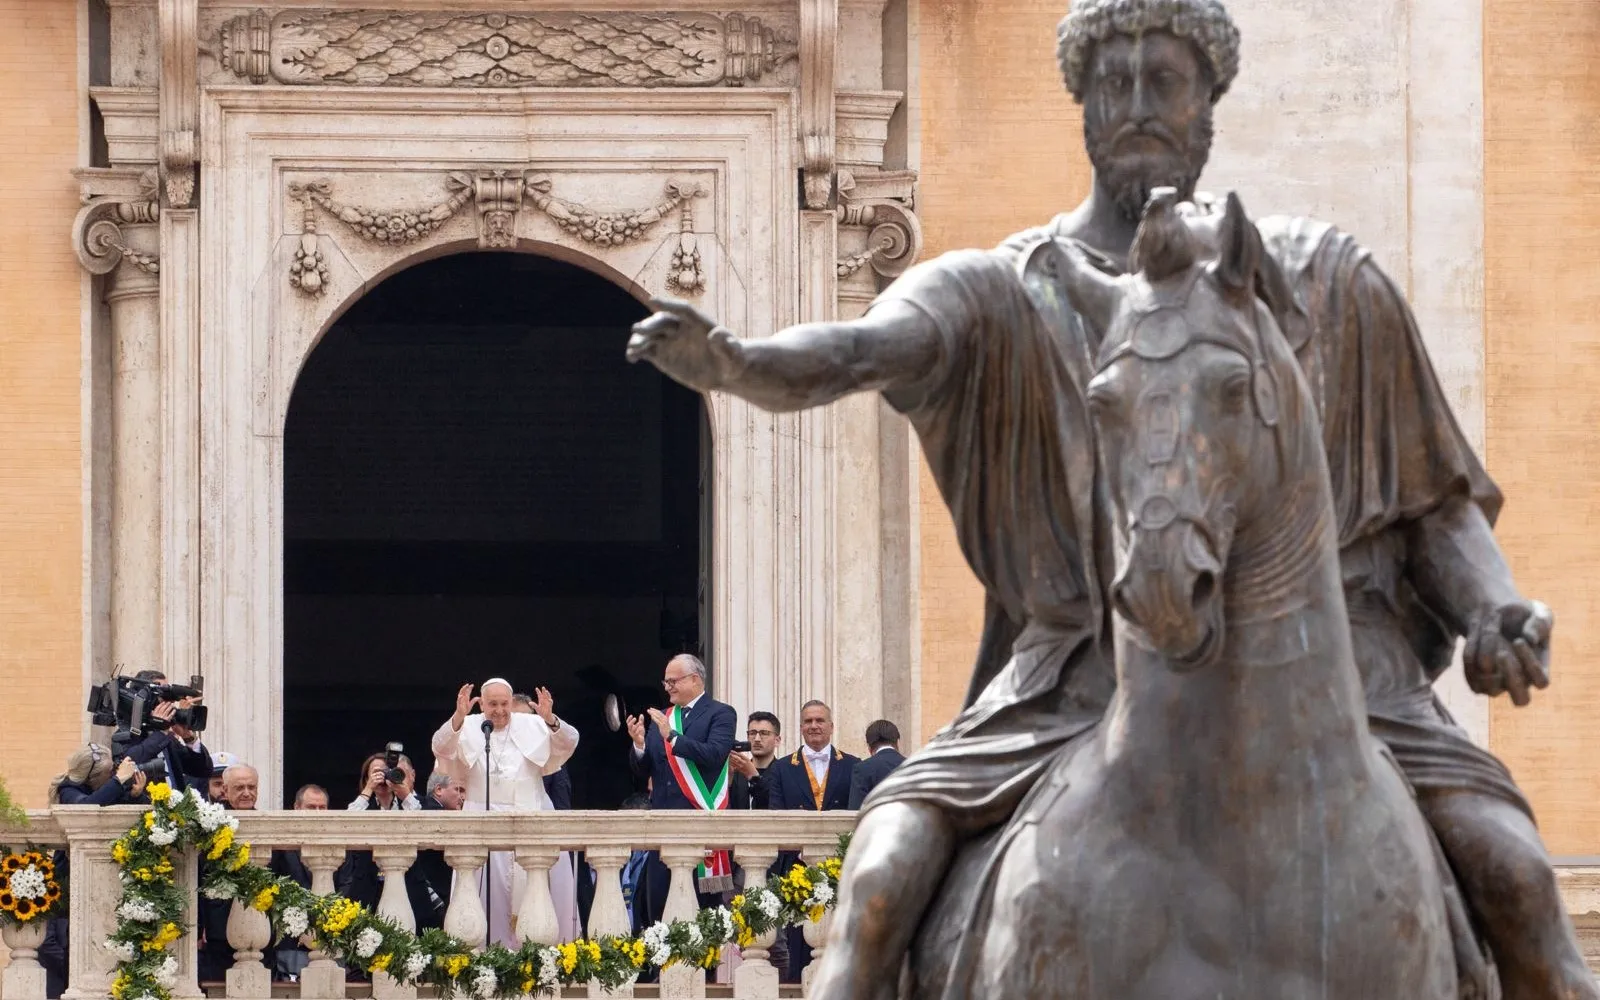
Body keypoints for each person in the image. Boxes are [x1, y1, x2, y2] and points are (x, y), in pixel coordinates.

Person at [625, 1, 1593, 995]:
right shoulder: (1006, 290)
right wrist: (741, 361)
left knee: (1521, 892)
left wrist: (1492, 610)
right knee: (875, 888)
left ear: (1209, 97)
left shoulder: (1329, 283)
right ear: (1080, 101)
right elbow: (860, 349)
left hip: (1348, 682)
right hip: (1070, 681)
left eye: (1163, 80)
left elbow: (1434, 505)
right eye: (1112, 82)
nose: (1136, 105)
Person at [431, 679, 579, 947]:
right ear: (482, 704)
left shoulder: (532, 724)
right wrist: (458, 716)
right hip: (481, 820)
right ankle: (484, 960)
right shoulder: (471, 725)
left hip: (530, 817)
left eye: (504, 704)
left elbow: (569, 743)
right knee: (487, 897)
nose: (499, 710)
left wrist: (551, 719)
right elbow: (441, 748)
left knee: (535, 896)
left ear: (511, 703)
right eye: (492, 704)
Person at [626, 654, 738, 920]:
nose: (668, 687)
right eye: (665, 682)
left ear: (695, 680)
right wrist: (639, 745)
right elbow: (645, 772)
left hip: (700, 825)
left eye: (673, 681)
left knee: (701, 915)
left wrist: (672, 737)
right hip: (662, 826)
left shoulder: (720, 713)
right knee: (659, 910)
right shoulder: (664, 717)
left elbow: (714, 754)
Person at [848, 720, 905, 810]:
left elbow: (855, 812)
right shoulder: (914, 766)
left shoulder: (862, 769)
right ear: (897, 742)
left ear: (869, 747)